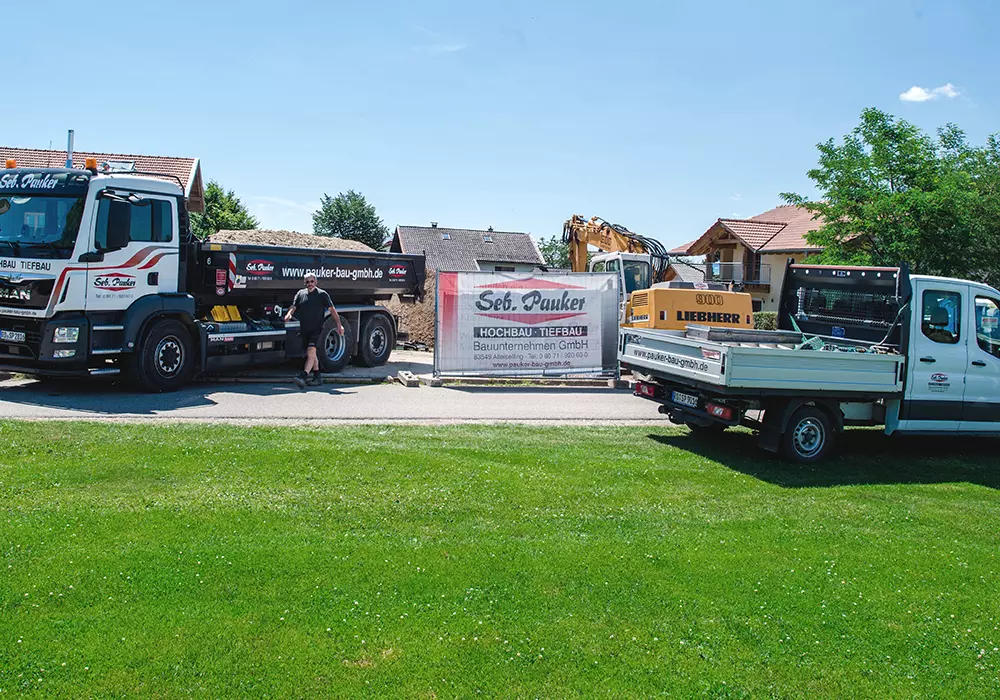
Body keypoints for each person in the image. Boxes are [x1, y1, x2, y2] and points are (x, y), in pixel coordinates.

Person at [284, 273, 343, 387]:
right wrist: (289, 314)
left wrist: (339, 324)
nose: (310, 284)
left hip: (317, 329)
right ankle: (317, 376)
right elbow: (294, 306)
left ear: (316, 282)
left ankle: (303, 375)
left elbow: (332, 310)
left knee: (311, 351)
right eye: (307, 282)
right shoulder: (300, 294)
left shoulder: (322, 295)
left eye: (312, 281)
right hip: (305, 329)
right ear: (304, 283)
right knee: (312, 353)